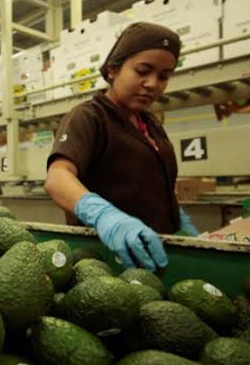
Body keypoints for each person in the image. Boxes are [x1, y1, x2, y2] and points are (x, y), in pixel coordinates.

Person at [44, 22, 200, 272]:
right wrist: (105, 216)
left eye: (164, 76)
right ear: (113, 70)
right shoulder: (89, 117)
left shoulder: (151, 125)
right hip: (105, 260)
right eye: (143, 71)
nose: (153, 83)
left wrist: (179, 220)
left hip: (155, 254)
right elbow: (58, 177)